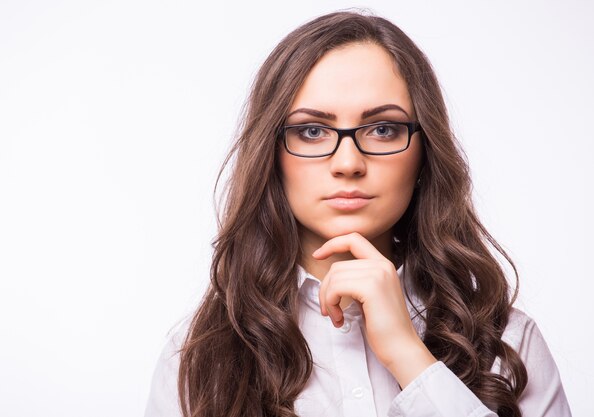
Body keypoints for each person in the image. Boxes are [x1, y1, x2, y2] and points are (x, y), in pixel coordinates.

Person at [143, 10, 571, 417]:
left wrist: (409, 356)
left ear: (425, 154)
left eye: (383, 129)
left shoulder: (511, 344)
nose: (348, 163)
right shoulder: (198, 356)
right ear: (270, 155)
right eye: (311, 131)